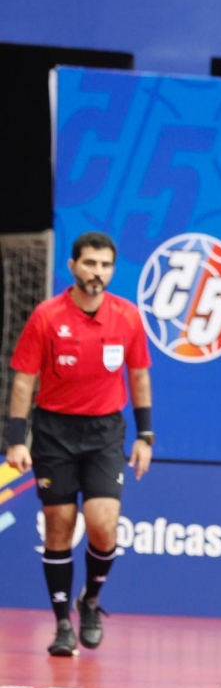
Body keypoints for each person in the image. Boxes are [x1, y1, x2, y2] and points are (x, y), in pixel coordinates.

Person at [3, 231, 153, 656]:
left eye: (105, 265)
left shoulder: (126, 316)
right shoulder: (47, 316)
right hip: (54, 433)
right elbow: (24, 379)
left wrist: (145, 435)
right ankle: (62, 626)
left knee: (104, 526)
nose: (98, 273)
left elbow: (139, 375)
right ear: (72, 267)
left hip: (105, 433)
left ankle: (91, 601)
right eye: (89, 264)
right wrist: (17, 439)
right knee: (59, 529)